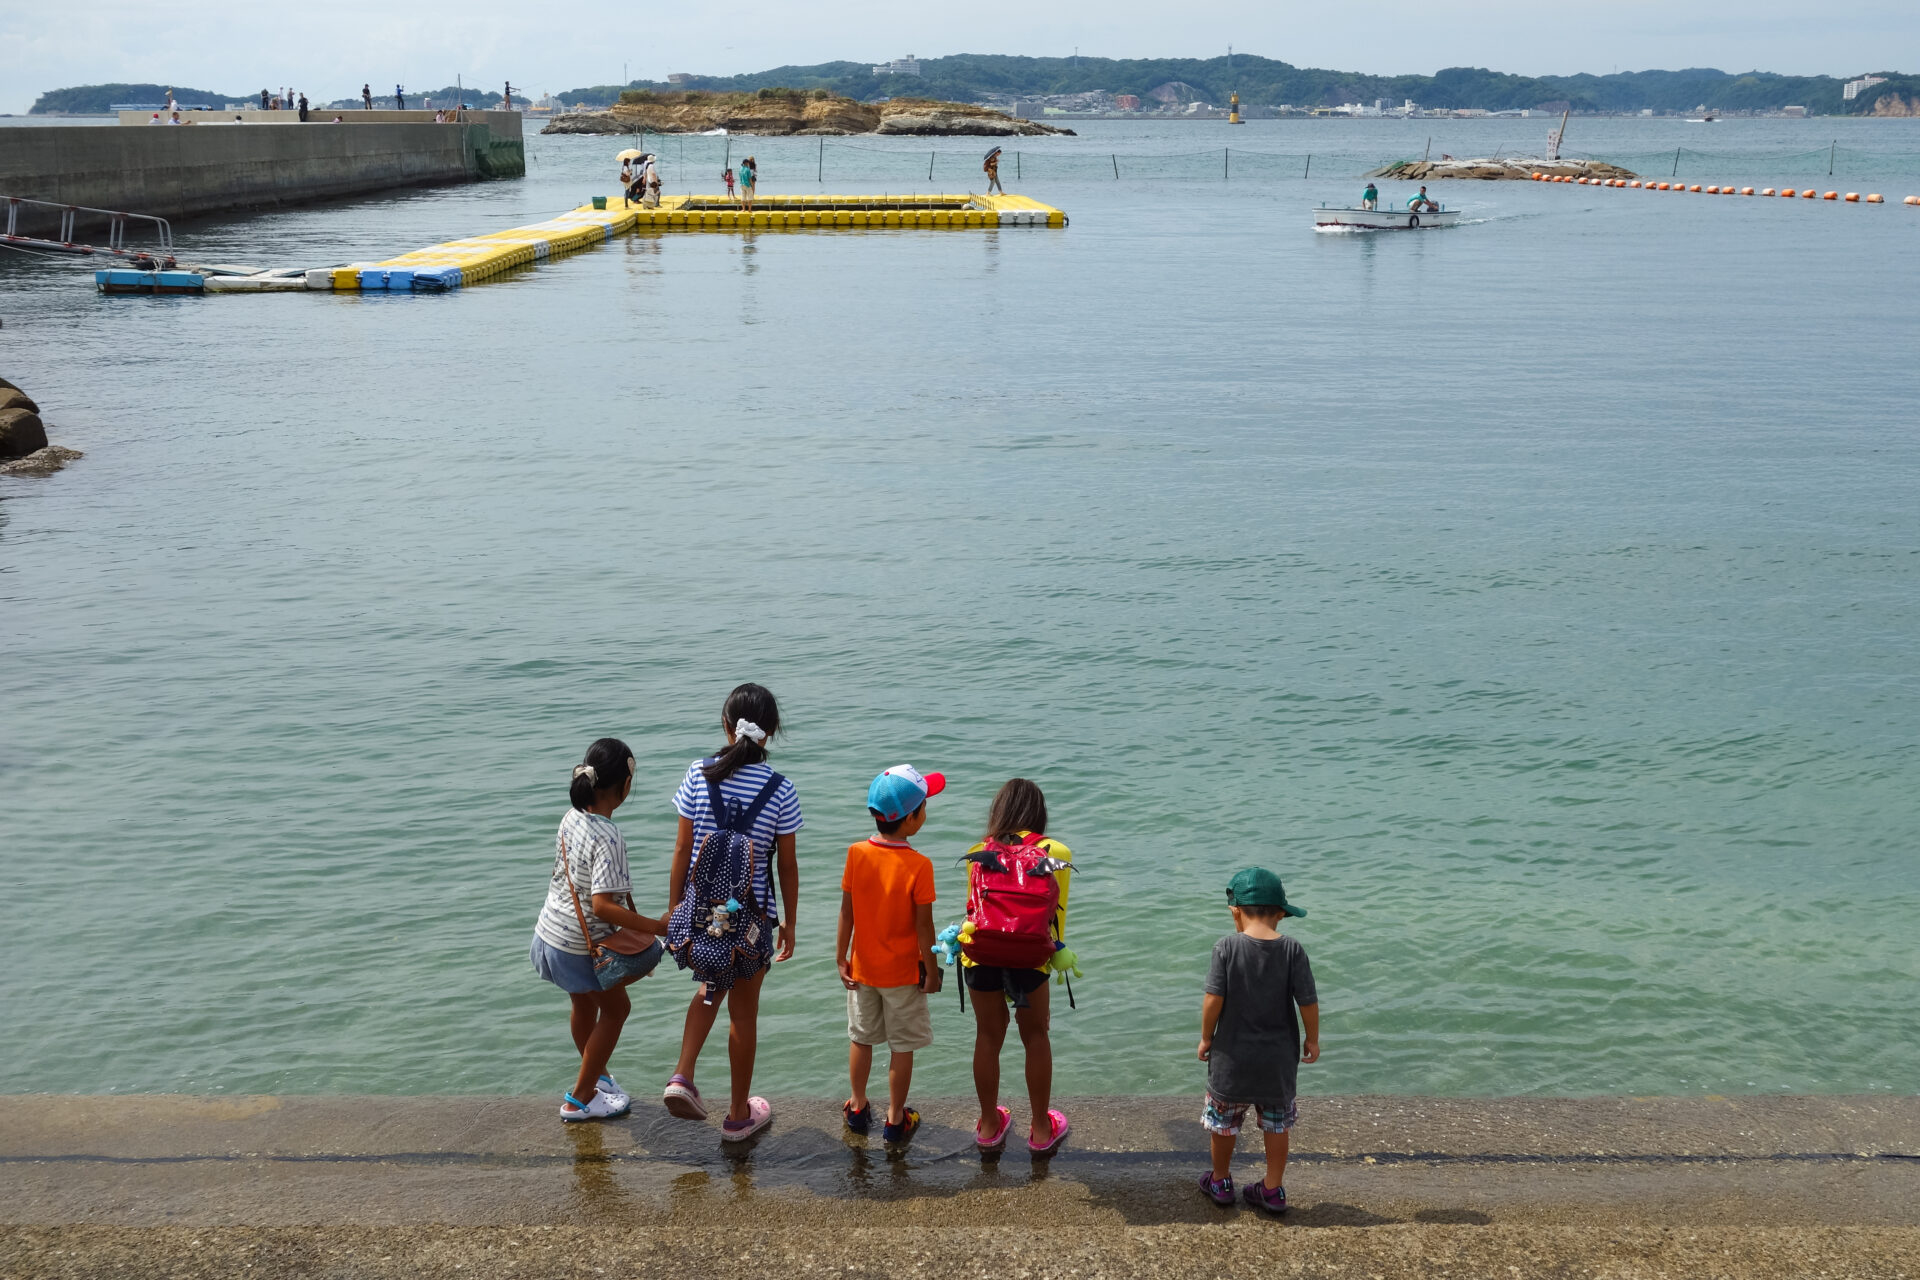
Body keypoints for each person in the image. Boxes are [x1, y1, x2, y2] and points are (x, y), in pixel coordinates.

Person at [661, 683, 801, 1140]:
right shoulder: (781, 789)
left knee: (708, 987)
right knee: (743, 1013)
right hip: (752, 919)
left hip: (703, 914)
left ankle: (683, 1073)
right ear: (772, 733)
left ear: (726, 725)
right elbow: (786, 863)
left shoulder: (697, 774)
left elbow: (683, 848)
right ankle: (739, 1114)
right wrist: (789, 923)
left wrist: (674, 909)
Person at [529, 739, 670, 1122]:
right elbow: (603, 905)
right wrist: (657, 926)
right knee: (617, 1009)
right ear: (624, 786)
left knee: (583, 1004)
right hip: (580, 945)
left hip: (549, 935)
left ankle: (598, 1078)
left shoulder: (570, 817)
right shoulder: (609, 837)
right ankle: (580, 1097)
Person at [1196, 868, 1320, 1216]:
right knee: (1276, 1125)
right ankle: (1272, 1189)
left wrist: (1207, 1037)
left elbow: (1213, 1000)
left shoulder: (1226, 947)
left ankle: (1220, 1180)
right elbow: (1307, 1002)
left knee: (1223, 1124)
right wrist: (1312, 1039)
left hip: (1231, 1061)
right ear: (1280, 912)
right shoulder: (1293, 949)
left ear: (1235, 911)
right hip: (1278, 1062)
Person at [965, 778, 1073, 1157]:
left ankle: (989, 1126)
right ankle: (1042, 1129)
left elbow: (974, 911)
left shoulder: (980, 851)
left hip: (982, 954)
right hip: (1031, 956)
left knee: (988, 1037)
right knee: (1036, 1037)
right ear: (1038, 813)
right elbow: (1057, 919)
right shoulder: (1055, 851)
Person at [837, 765, 944, 1146]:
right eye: (924, 806)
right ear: (911, 819)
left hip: (862, 969)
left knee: (861, 1038)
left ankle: (857, 1105)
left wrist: (840, 958)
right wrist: (931, 972)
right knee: (902, 1046)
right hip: (903, 974)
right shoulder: (920, 865)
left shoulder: (856, 854)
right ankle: (896, 1119)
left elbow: (847, 912)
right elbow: (924, 928)